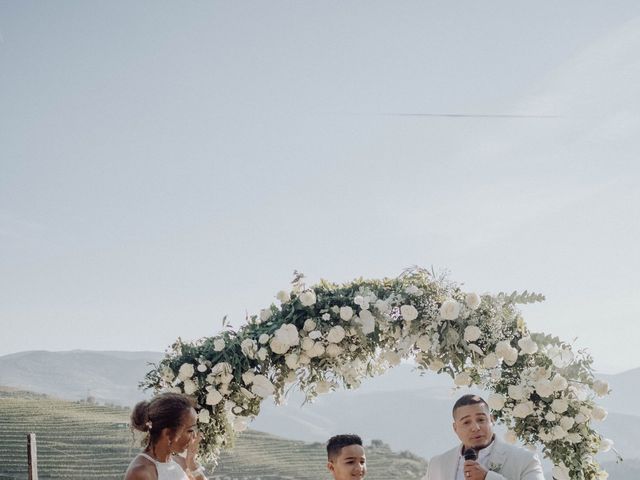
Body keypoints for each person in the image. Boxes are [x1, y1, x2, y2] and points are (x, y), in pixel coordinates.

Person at [424, 394, 544, 480]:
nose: (475, 427)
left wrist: (487, 478)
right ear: (455, 428)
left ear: (491, 420)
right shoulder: (438, 464)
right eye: (466, 422)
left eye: (481, 419)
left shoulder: (525, 460)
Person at [125, 392, 208, 480]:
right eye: (190, 430)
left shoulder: (182, 463)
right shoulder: (142, 473)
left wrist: (192, 465)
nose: (194, 436)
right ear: (168, 433)